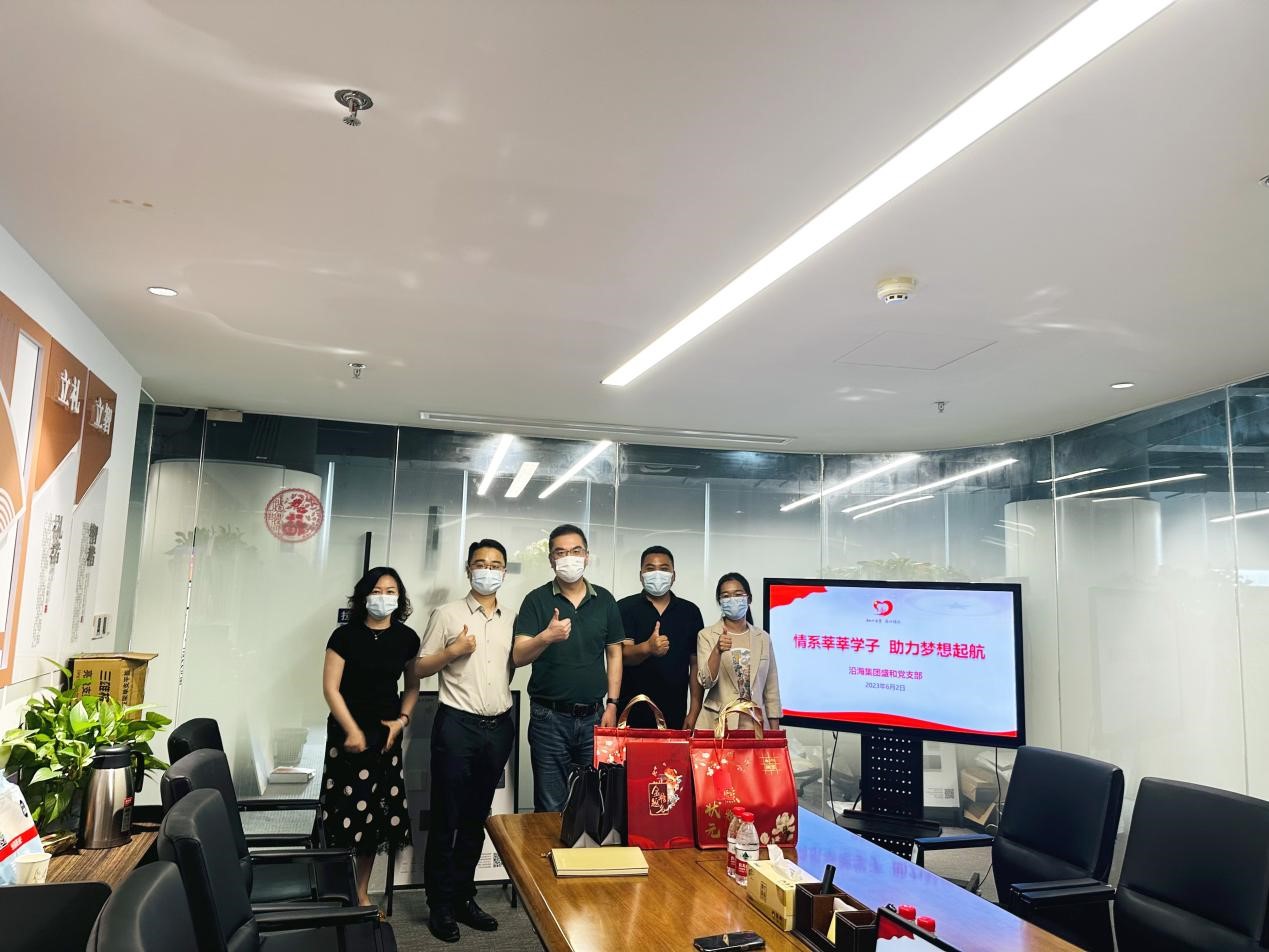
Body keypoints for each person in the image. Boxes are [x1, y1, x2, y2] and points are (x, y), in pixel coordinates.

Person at [416, 539, 515, 943]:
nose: (487, 570)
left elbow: (515, 664)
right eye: (480, 563)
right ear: (468, 568)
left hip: (499, 726)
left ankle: (462, 897)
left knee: (477, 818)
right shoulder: (447, 613)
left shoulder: (512, 618)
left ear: (504, 571)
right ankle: (439, 904)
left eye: (495, 564)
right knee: (446, 817)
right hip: (457, 724)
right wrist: (453, 651)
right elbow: (419, 667)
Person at [320, 566, 420, 909]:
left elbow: (412, 686)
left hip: (385, 738)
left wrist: (401, 721)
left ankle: (361, 893)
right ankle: (335, 890)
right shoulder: (344, 636)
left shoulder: (407, 638)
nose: (383, 597)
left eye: (391, 591)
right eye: (377, 591)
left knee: (374, 819)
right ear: (364, 596)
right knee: (341, 814)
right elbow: (331, 688)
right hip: (346, 736)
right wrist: (351, 729)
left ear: (400, 597)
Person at [513, 524, 625, 812]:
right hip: (549, 718)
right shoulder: (536, 600)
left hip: (594, 716)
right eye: (560, 552)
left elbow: (614, 653)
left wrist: (612, 704)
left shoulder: (605, 600)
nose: (569, 558)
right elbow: (518, 656)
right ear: (551, 559)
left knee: (593, 803)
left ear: (586, 555)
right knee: (550, 806)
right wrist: (546, 637)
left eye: (576, 551)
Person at [617, 545, 705, 730]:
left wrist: (694, 710)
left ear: (674, 575)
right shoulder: (625, 607)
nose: (657, 574)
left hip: (675, 713)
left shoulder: (690, 612)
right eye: (650, 569)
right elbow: (621, 656)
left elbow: (696, 664)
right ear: (641, 575)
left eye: (664, 569)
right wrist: (647, 648)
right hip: (631, 711)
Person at [695, 572, 782, 731]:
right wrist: (717, 651)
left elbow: (771, 690)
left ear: (749, 598)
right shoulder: (707, 635)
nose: (732, 599)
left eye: (738, 594)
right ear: (720, 602)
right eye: (726, 596)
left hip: (756, 725)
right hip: (718, 725)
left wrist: (775, 734)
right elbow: (706, 682)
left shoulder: (763, 638)